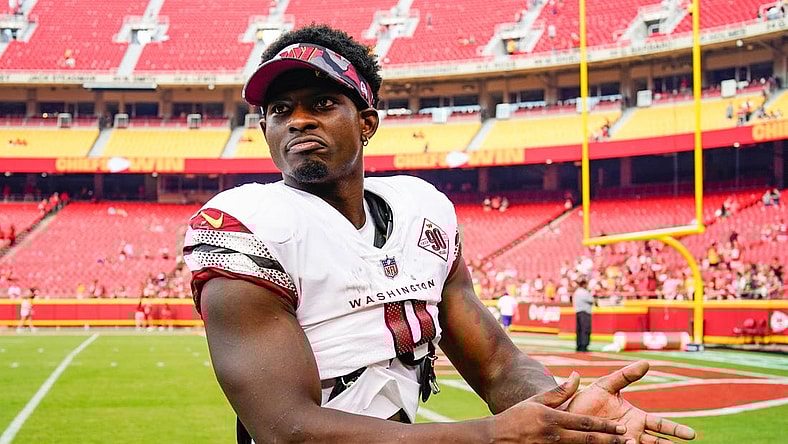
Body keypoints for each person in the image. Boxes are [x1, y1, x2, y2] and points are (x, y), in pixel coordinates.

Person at [183, 24, 695, 444]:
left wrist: (562, 404)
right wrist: (491, 435)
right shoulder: (245, 223)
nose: (297, 121)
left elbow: (497, 364)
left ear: (366, 123)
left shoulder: (421, 210)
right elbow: (285, 428)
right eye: (279, 110)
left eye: (320, 104)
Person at [573, 277, 594, 352]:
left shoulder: (576, 292)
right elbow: (591, 300)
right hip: (585, 312)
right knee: (585, 329)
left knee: (579, 330)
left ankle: (579, 345)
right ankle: (584, 346)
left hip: (578, 312)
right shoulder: (584, 292)